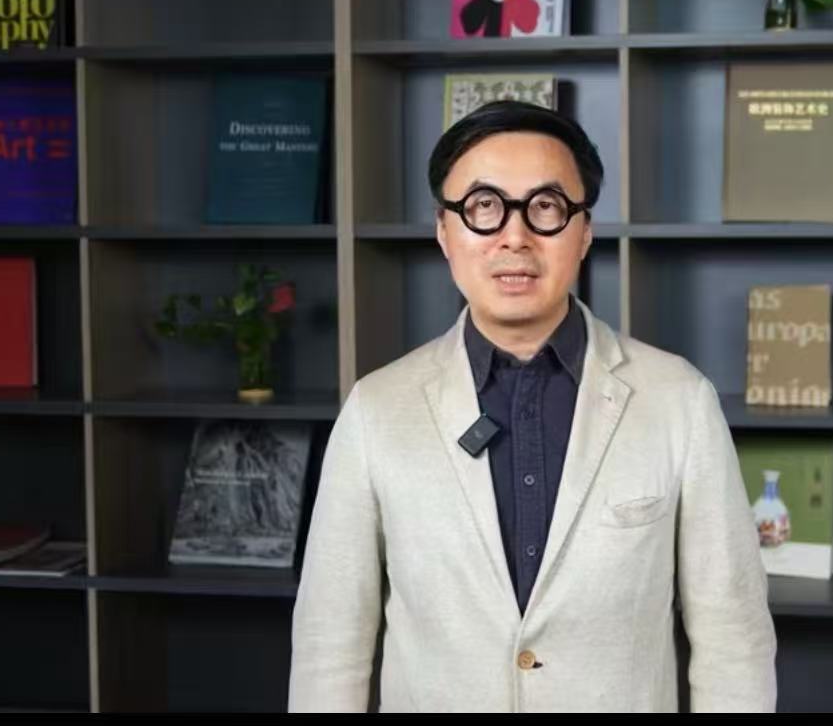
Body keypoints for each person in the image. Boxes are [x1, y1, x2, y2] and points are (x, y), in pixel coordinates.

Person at [289, 100, 777, 713]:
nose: (514, 236)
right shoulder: (376, 410)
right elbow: (330, 646)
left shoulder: (679, 401)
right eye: (483, 206)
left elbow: (734, 640)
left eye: (545, 207)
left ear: (585, 230)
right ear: (444, 230)